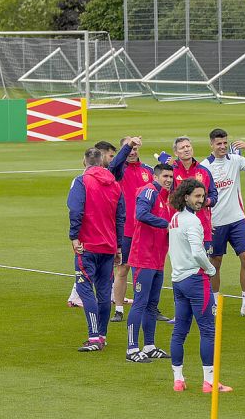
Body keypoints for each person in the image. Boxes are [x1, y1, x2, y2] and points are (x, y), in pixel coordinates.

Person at [167, 178, 231, 393]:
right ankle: (209, 382)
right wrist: (211, 269)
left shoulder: (175, 218)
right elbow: (196, 252)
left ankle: (178, 380)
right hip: (195, 280)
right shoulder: (193, 222)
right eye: (197, 196)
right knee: (208, 331)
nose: (201, 200)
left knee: (179, 331)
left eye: (203, 196)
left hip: (178, 280)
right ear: (186, 197)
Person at [200, 128, 245, 318]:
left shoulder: (235, 160)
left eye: (224, 143)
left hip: (237, 220)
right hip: (215, 223)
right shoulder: (204, 167)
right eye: (218, 143)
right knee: (215, 263)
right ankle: (213, 303)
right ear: (211, 144)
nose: (222, 147)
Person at [67, 147, 125, 352]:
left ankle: (94, 337)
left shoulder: (81, 181)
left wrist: (74, 237)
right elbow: (121, 217)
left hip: (87, 245)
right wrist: (118, 245)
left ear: (84, 162)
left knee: (84, 288)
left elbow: (76, 210)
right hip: (108, 246)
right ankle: (102, 335)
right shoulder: (115, 185)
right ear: (101, 162)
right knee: (103, 291)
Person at [125, 163, 174, 363]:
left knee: (152, 304)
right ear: (156, 176)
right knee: (140, 302)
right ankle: (131, 349)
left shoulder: (165, 197)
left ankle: (149, 346)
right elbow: (141, 214)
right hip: (142, 257)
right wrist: (168, 224)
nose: (169, 179)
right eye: (165, 176)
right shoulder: (148, 192)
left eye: (171, 176)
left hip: (157, 259)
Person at [109, 136, 152, 323]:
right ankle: (118, 309)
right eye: (130, 149)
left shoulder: (149, 170)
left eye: (135, 149)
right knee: (123, 268)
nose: (133, 152)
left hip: (148, 229)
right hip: (126, 229)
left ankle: (149, 307)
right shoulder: (118, 171)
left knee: (147, 269)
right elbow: (115, 163)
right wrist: (127, 146)